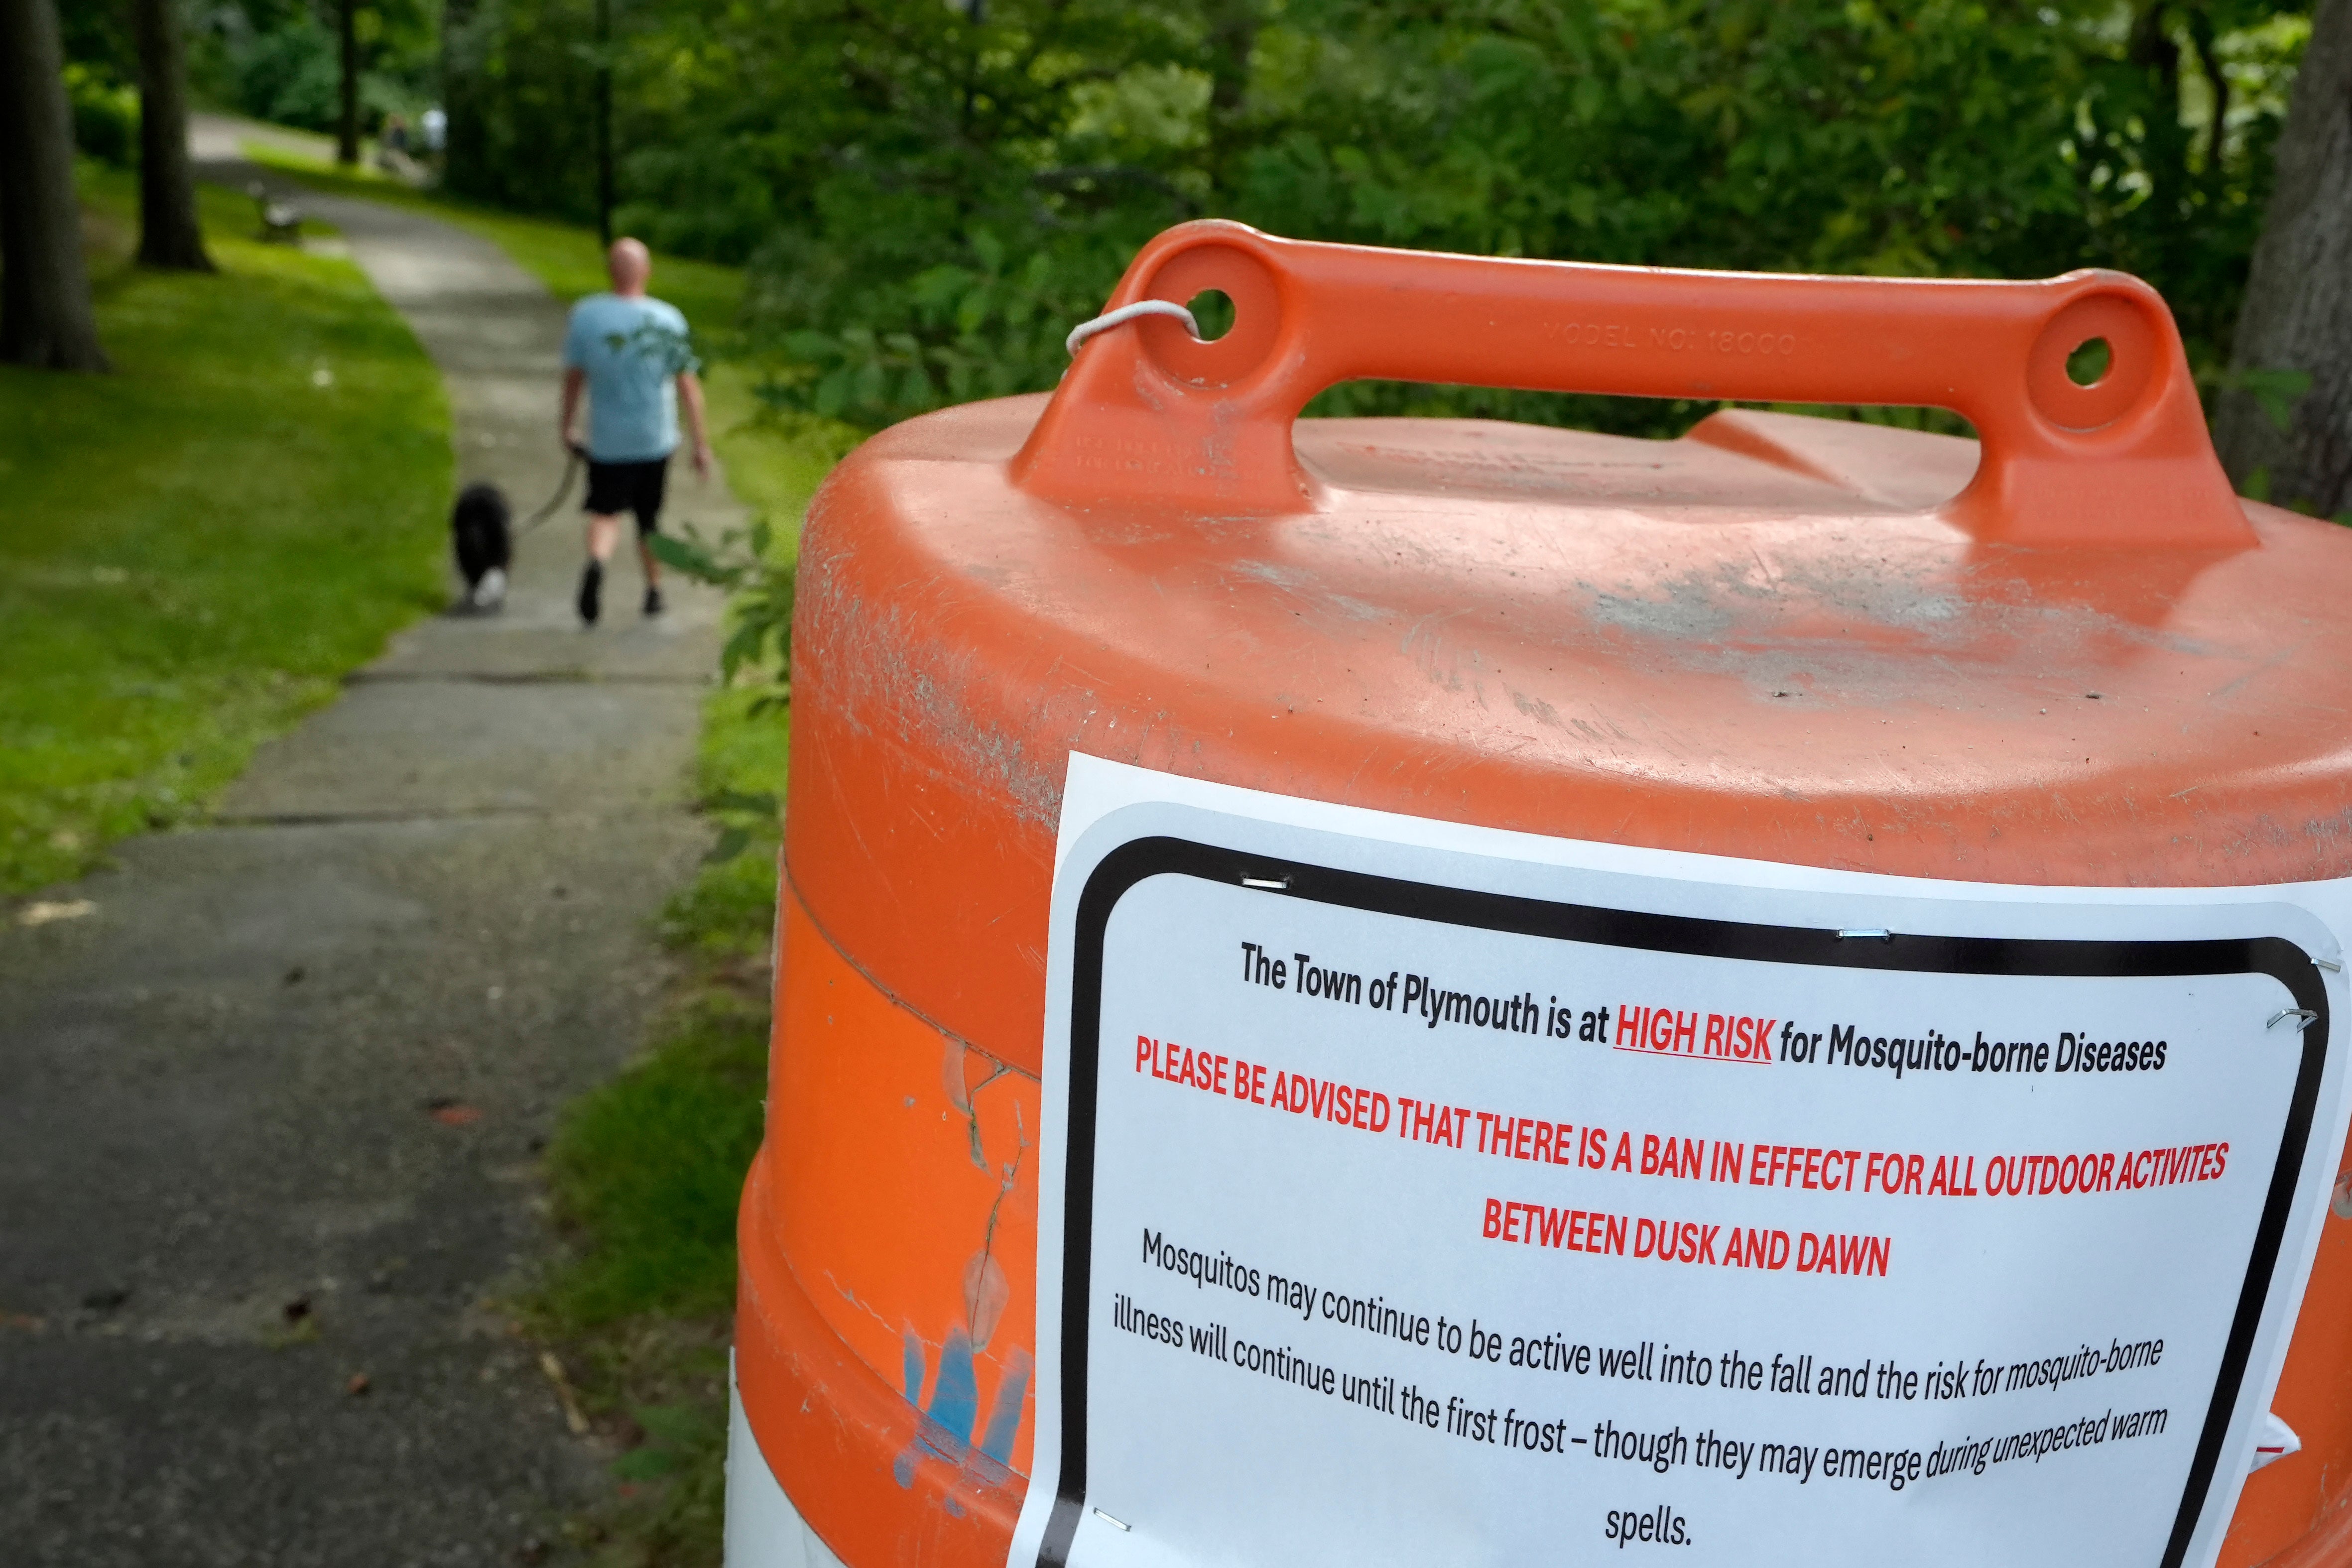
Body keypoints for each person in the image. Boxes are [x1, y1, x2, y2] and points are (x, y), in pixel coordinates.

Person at [558, 238, 712, 623]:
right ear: (646, 272)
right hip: (653, 437)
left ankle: (596, 562)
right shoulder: (667, 320)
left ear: (611, 271)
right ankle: (654, 591)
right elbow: (687, 387)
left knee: (605, 512)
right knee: (648, 519)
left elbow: (574, 379)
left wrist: (567, 426)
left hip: (607, 439)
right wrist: (700, 444)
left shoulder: (587, 316)